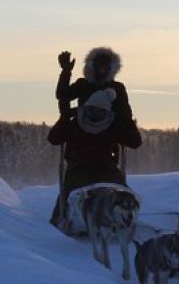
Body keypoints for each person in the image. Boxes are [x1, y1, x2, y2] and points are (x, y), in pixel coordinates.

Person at [48, 82, 142, 229]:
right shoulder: (76, 123)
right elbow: (54, 139)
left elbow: (135, 142)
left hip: (106, 167)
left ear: (107, 113)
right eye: (93, 110)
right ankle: (62, 218)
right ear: (86, 109)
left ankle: (124, 217)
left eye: (101, 112)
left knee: (121, 190)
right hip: (78, 166)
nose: (96, 115)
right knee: (72, 190)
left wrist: (126, 116)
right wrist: (64, 118)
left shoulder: (111, 125)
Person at [56, 47, 133, 127]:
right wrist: (66, 71)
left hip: (109, 135)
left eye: (105, 64)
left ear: (111, 68)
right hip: (84, 132)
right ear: (92, 65)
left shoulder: (117, 88)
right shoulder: (83, 84)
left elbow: (126, 116)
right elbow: (62, 95)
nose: (102, 68)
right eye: (99, 63)